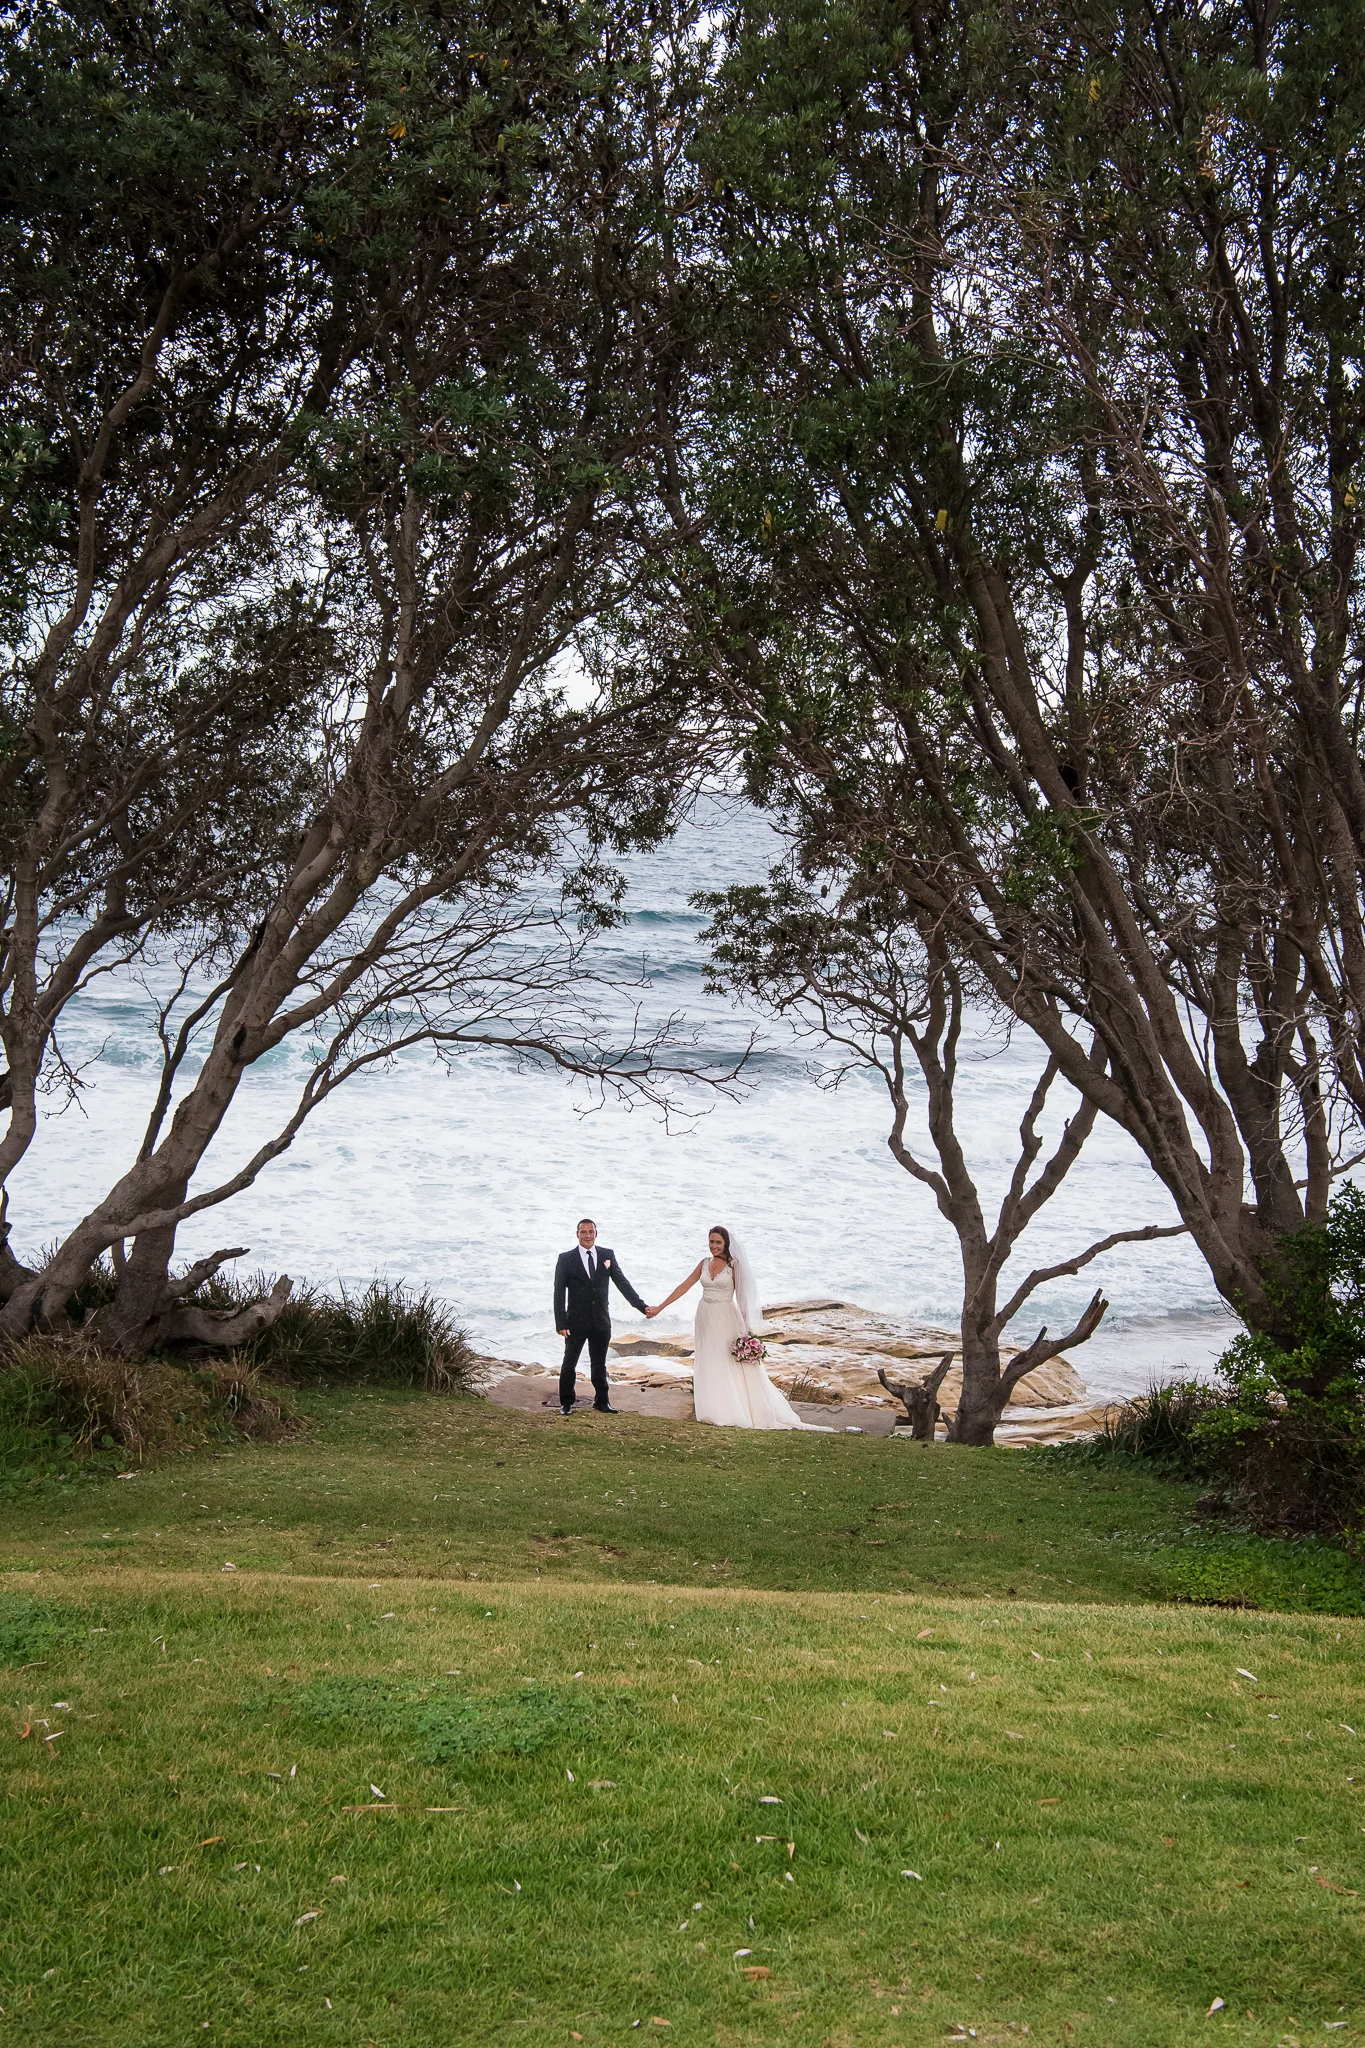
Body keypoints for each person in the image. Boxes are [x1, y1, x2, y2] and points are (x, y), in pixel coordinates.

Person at [648, 1226, 828, 1430]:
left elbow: (742, 1298)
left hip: (726, 1316)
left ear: (726, 1244)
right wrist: (660, 1307)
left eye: (718, 1242)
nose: (714, 1246)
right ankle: (710, 1407)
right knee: (708, 1359)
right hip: (705, 1316)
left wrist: (747, 1331)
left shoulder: (734, 1266)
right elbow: (684, 1286)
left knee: (726, 1360)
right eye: (711, 1242)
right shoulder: (704, 1263)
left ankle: (732, 1408)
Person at [553, 1217, 651, 1417]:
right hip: (575, 1322)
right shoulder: (565, 1259)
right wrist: (560, 1322)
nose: (587, 1235)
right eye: (583, 1232)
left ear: (596, 1234)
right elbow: (558, 1292)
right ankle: (566, 1403)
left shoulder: (607, 1255)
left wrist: (643, 1307)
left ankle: (602, 1401)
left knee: (599, 1363)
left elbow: (622, 1284)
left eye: (591, 1232)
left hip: (600, 1321)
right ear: (577, 1234)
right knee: (569, 1362)